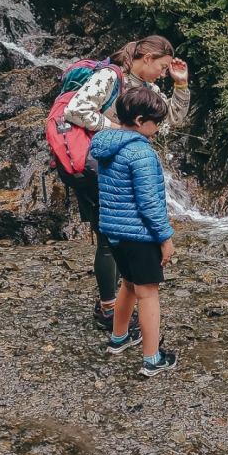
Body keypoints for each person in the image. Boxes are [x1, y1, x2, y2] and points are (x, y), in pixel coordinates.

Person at [63, 35, 190, 331]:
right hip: (98, 166)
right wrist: (119, 129)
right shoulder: (109, 76)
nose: (163, 73)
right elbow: (75, 110)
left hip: (126, 168)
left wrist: (181, 84)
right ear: (146, 59)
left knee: (124, 234)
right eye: (162, 66)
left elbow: (170, 119)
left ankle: (122, 304)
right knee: (109, 236)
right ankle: (109, 307)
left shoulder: (149, 89)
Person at [89, 87, 178, 376]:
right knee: (148, 293)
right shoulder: (141, 152)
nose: (158, 127)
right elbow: (150, 203)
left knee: (127, 284)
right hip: (139, 235)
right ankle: (152, 359)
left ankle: (120, 337)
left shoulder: (106, 145)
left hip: (113, 232)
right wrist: (165, 237)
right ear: (140, 120)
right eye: (157, 122)